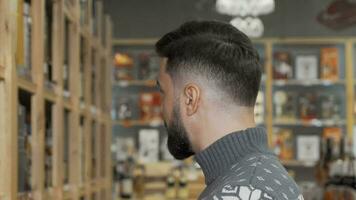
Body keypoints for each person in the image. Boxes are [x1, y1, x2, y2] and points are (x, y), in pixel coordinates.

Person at [155, 20, 304, 200]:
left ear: (190, 99)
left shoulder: (240, 192)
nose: (161, 107)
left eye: (163, 92)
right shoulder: (256, 178)